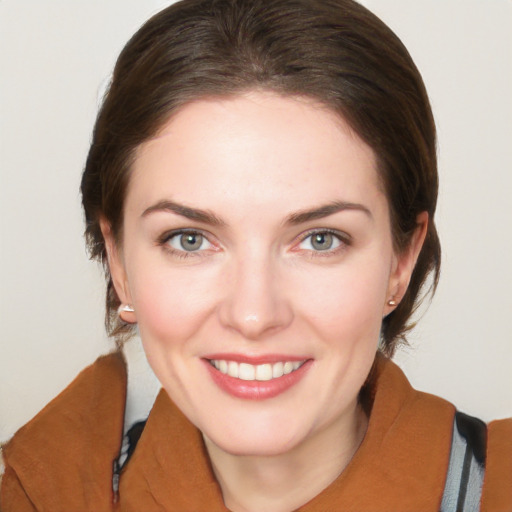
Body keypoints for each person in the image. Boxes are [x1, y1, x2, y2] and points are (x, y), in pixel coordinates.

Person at [1, 0, 510, 510]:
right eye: (189, 239)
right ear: (119, 264)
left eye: (320, 239)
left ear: (401, 262)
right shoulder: (46, 490)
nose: (253, 315)